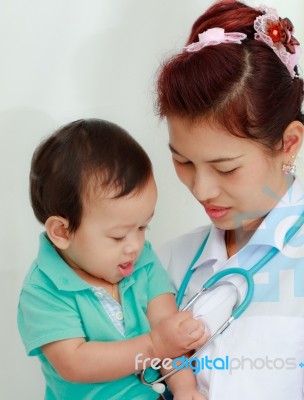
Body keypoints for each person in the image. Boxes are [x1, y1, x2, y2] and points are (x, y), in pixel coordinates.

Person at [155, 1, 304, 399]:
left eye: (225, 168)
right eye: (183, 161)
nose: (202, 189)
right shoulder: (171, 261)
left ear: (288, 142)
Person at [17, 118, 209, 400]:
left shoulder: (142, 262)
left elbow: (169, 330)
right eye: (118, 236)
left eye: (143, 227)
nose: (135, 245)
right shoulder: (43, 290)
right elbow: (75, 363)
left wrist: (184, 388)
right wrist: (154, 346)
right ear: (62, 231)